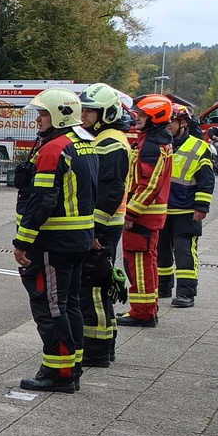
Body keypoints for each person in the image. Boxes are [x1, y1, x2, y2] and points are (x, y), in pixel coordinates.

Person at [12, 89, 95, 392]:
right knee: (69, 303)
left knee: (51, 308)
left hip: (53, 243)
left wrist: (23, 240)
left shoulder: (54, 148)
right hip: (78, 239)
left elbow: (43, 200)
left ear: (59, 114)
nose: (38, 119)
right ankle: (71, 365)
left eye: (43, 113)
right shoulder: (84, 143)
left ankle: (58, 373)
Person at [75, 83, 131, 368]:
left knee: (93, 289)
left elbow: (110, 192)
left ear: (106, 113)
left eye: (89, 111)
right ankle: (102, 347)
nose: (83, 115)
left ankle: (96, 351)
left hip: (102, 228)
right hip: (103, 226)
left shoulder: (110, 143)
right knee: (97, 287)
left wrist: (93, 231)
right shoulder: (106, 138)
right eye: (82, 109)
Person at [118, 94, 175, 328]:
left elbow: (149, 184)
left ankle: (142, 312)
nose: (136, 117)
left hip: (142, 216)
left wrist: (130, 214)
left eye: (142, 115)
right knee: (146, 263)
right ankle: (147, 309)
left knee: (140, 264)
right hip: (149, 215)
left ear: (154, 117)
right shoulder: (153, 140)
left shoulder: (151, 144)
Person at [157, 105, 213, 310]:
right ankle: (163, 287)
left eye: (171, 122)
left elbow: (206, 180)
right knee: (160, 251)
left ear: (183, 123)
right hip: (161, 210)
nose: (167, 126)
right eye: (165, 122)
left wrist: (202, 206)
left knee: (184, 252)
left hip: (187, 210)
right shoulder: (160, 144)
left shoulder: (198, 147)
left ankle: (186, 292)